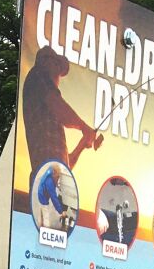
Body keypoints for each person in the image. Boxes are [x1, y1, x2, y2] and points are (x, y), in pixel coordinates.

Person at [23, 46, 102, 174]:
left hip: (51, 177)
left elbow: (65, 167)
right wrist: (84, 127)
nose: (59, 75)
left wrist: (82, 144)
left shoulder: (49, 110)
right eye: (57, 65)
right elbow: (57, 104)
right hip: (47, 175)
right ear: (45, 61)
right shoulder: (39, 73)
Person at [34, 162, 74, 231]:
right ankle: (46, 230)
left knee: (40, 212)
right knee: (46, 214)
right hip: (43, 197)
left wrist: (57, 184)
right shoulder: (49, 182)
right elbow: (54, 198)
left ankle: (39, 225)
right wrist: (61, 211)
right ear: (54, 173)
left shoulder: (50, 170)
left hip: (40, 192)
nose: (58, 178)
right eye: (57, 176)